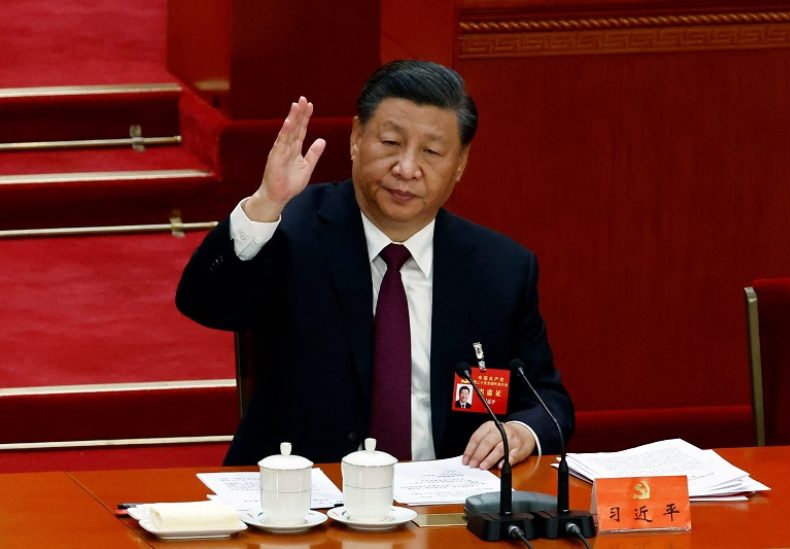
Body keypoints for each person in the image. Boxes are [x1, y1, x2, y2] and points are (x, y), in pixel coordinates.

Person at [176, 60, 574, 470]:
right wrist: (265, 203)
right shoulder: (294, 231)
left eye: (432, 152)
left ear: (460, 164)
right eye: (389, 143)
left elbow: (547, 402)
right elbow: (204, 302)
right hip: (306, 501)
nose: (406, 168)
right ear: (355, 138)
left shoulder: (500, 269)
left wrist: (522, 431)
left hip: (447, 504)